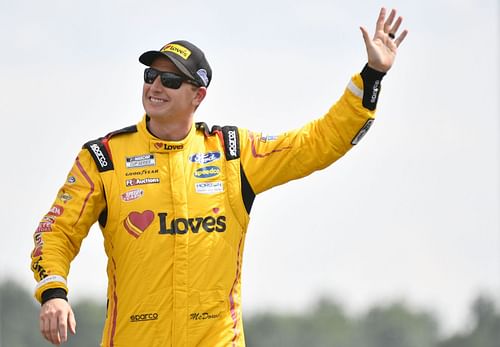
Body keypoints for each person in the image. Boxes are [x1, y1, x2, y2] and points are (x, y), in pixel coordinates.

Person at [31, 7, 407, 346]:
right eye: (151, 76)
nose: (155, 87)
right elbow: (56, 231)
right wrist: (54, 292)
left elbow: (317, 143)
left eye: (171, 80)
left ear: (198, 96)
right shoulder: (104, 157)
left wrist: (372, 75)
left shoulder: (232, 153)